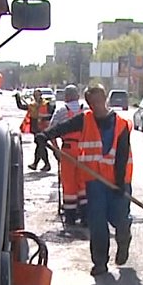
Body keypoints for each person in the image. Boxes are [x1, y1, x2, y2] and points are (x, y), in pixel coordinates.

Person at [37, 85, 133, 276]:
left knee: (119, 219)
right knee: (97, 222)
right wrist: (46, 135)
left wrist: (120, 183)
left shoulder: (121, 124)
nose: (96, 106)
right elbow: (64, 127)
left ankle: (124, 238)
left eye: (98, 101)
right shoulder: (85, 119)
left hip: (118, 181)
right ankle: (100, 262)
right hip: (94, 182)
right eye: (92, 103)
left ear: (105, 99)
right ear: (88, 103)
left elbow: (122, 155)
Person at [49, 85, 88, 225]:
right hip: (85, 150)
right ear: (77, 96)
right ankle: (85, 215)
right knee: (83, 183)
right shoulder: (86, 110)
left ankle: (70, 216)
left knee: (69, 184)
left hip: (67, 150)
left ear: (66, 96)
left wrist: (56, 150)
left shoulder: (60, 111)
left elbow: (51, 131)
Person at [19, 89, 52, 171]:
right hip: (35, 128)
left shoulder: (46, 104)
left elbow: (51, 115)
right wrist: (17, 98)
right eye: (35, 95)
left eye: (37, 95)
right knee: (40, 146)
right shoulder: (32, 105)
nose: (36, 96)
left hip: (43, 128)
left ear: (41, 95)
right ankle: (37, 164)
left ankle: (45, 164)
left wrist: (43, 116)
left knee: (41, 146)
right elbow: (21, 106)